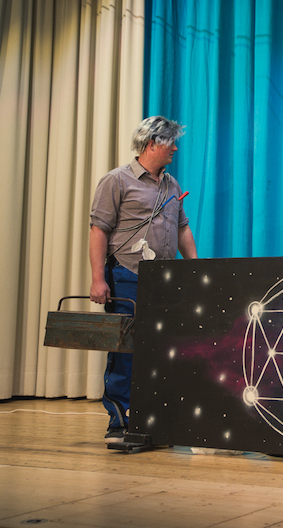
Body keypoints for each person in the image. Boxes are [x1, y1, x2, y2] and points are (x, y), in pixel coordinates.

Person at [89, 116, 198, 445]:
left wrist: (195, 268)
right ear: (152, 144)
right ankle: (119, 421)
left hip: (163, 281)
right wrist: (98, 279)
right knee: (125, 351)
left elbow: (181, 228)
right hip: (127, 275)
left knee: (160, 350)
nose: (175, 149)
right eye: (170, 143)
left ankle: (152, 419)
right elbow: (99, 230)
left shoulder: (171, 185)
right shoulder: (117, 181)